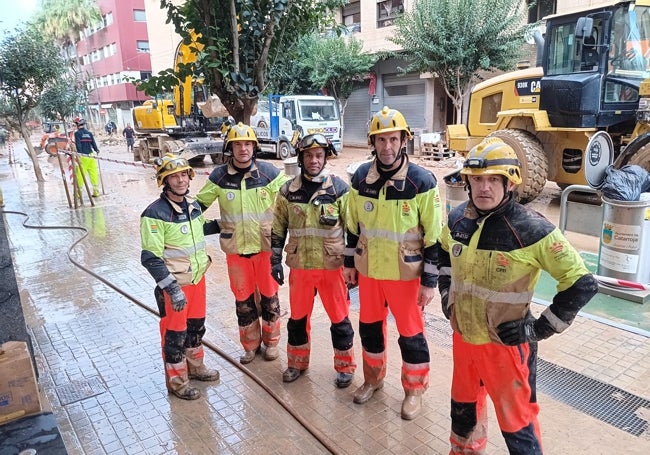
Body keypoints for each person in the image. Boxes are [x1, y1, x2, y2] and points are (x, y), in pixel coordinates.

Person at [437, 137, 599, 454]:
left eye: (494, 179)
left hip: (506, 348)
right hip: (464, 339)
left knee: (517, 425)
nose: (485, 187)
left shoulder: (530, 229)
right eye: (477, 179)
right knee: (463, 410)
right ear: (467, 181)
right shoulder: (458, 219)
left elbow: (582, 283)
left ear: (510, 183)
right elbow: (443, 254)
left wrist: (537, 329)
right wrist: (446, 294)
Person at [343, 106, 444, 420]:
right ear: (373, 142)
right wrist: (349, 265)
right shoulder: (360, 178)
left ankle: (414, 390)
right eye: (381, 140)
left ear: (404, 141)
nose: (387, 147)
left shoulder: (421, 182)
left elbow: (434, 237)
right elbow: (352, 226)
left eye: (393, 139)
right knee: (370, 331)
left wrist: (429, 283)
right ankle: (373, 379)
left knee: (411, 335)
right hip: (370, 273)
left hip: (406, 276)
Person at [196, 122, 288, 364]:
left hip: (265, 250)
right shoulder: (219, 176)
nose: (243, 149)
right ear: (230, 148)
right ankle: (250, 345)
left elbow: (291, 199)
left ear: (254, 147)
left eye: (247, 144)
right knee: (243, 302)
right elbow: (198, 206)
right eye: (238, 145)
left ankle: (272, 342)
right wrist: (177, 218)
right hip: (236, 251)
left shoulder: (270, 174)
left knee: (270, 298)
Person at [271, 134, 356, 387]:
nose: (314, 160)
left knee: (340, 320)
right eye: (308, 155)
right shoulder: (287, 192)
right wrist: (274, 260)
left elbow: (353, 230)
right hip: (301, 267)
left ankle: (345, 367)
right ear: (301, 158)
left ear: (326, 157)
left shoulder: (340, 190)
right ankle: (296, 364)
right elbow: (277, 228)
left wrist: (352, 266)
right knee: (297, 320)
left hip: (332, 267)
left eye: (319, 155)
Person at [140, 154, 221, 400]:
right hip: (175, 286)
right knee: (175, 335)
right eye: (173, 176)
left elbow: (198, 230)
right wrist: (172, 289)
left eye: (183, 174)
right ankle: (177, 381)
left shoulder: (193, 206)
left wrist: (222, 224)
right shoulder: (154, 214)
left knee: (195, 329)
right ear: (165, 181)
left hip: (197, 280)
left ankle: (195, 369)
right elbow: (150, 257)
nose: (180, 180)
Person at [73, 118, 101, 197]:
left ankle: (79, 194)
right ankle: (96, 192)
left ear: (77, 125)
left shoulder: (77, 133)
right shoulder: (89, 133)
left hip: (83, 156)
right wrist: (97, 150)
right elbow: (93, 143)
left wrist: (79, 153)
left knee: (80, 175)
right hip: (91, 156)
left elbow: (78, 145)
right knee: (93, 174)